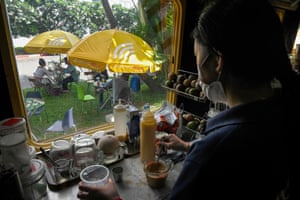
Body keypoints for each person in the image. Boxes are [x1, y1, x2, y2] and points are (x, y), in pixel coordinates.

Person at [77, 0, 300, 199]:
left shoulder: (213, 152)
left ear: (216, 62)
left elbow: (224, 151)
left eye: (196, 57)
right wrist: (188, 145)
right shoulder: (284, 110)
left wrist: (113, 198)